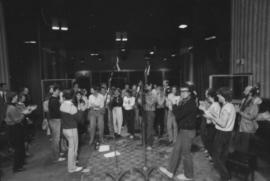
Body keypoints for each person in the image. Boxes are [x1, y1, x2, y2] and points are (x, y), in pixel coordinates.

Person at [159, 86, 198, 180]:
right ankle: (170, 171)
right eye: (182, 91)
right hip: (183, 130)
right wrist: (173, 106)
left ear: (189, 93)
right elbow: (180, 112)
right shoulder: (185, 101)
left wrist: (172, 105)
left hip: (187, 132)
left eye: (185, 92)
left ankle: (189, 176)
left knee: (186, 154)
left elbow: (179, 115)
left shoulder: (190, 103)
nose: (183, 93)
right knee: (176, 150)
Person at [206, 87, 236, 181]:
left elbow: (222, 124)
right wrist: (214, 116)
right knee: (222, 156)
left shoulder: (226, 108)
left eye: (219, 96)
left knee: (215, 157)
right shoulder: (230, 105)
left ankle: (226, 176)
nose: (218, 97)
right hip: (228, 133)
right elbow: (223, 120)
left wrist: (211, 116)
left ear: (223, 96)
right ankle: (224, 178)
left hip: (222, 134)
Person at [5, 92, 32, 172]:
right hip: (14, 128)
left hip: (16, 128)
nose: (17, 98)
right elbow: (17, 120)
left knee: (21, 146)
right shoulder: (11, 108)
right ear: (12, 98)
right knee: (18, 148)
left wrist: (24, 113)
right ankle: (17, 167)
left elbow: (18, 115)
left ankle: (21, 163)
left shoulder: (13, 106)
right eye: (15, 97)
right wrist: (25, 114)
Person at [60, 89, 83, 173]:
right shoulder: (72, 107)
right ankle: (72, 168)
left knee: (71, 148)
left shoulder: (62, 105)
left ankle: (72, 166)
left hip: (65, 129)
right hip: (72, 129)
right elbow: (79, 119)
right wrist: (80, 109)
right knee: (73, 149)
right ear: (72, 97)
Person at [235, 86, 260, 152]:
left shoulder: (254, 102)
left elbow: (251, 117)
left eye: (245, 91)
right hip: (241, 125)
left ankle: (244, 159)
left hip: (247, 128)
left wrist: (239, 112)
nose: (243, 92)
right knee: (238, 144)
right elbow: (241, 111)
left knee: (245, 147)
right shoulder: (244, 100)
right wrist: (237, 109)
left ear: (250, 93)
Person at [199, 89, 221, 158]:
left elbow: (214, 117)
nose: (208, 98)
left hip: (213, 125)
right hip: (211, 125)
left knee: (211, 141)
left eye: (208, 96)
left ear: (211, 96)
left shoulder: (215, 105)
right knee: (210, 140)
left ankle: (212, 156)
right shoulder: (215, 104)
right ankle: (211, 154)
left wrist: (204, 110)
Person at [48, 86, 66, 162]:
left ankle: (57, 153)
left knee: (56, 139)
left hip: (54, 120)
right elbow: (57, 112)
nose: (59, 92)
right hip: (55, 121)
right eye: (58, 91)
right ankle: (56, 157)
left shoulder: (53, 99)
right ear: (55, 91)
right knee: (56, 139)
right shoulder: (54, 100)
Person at [143, 84, 157, 150]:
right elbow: (140, 102)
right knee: (145, 127)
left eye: (148, 87)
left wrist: (145, 98)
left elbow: (151, 103)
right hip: (145, 112)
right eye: (145, 87)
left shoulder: (153, 94)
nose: (146, 88)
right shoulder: (144, 95)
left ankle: (149, 144)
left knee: (149, 129)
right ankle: (145, 142)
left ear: (150, 87)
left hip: (151, 112)